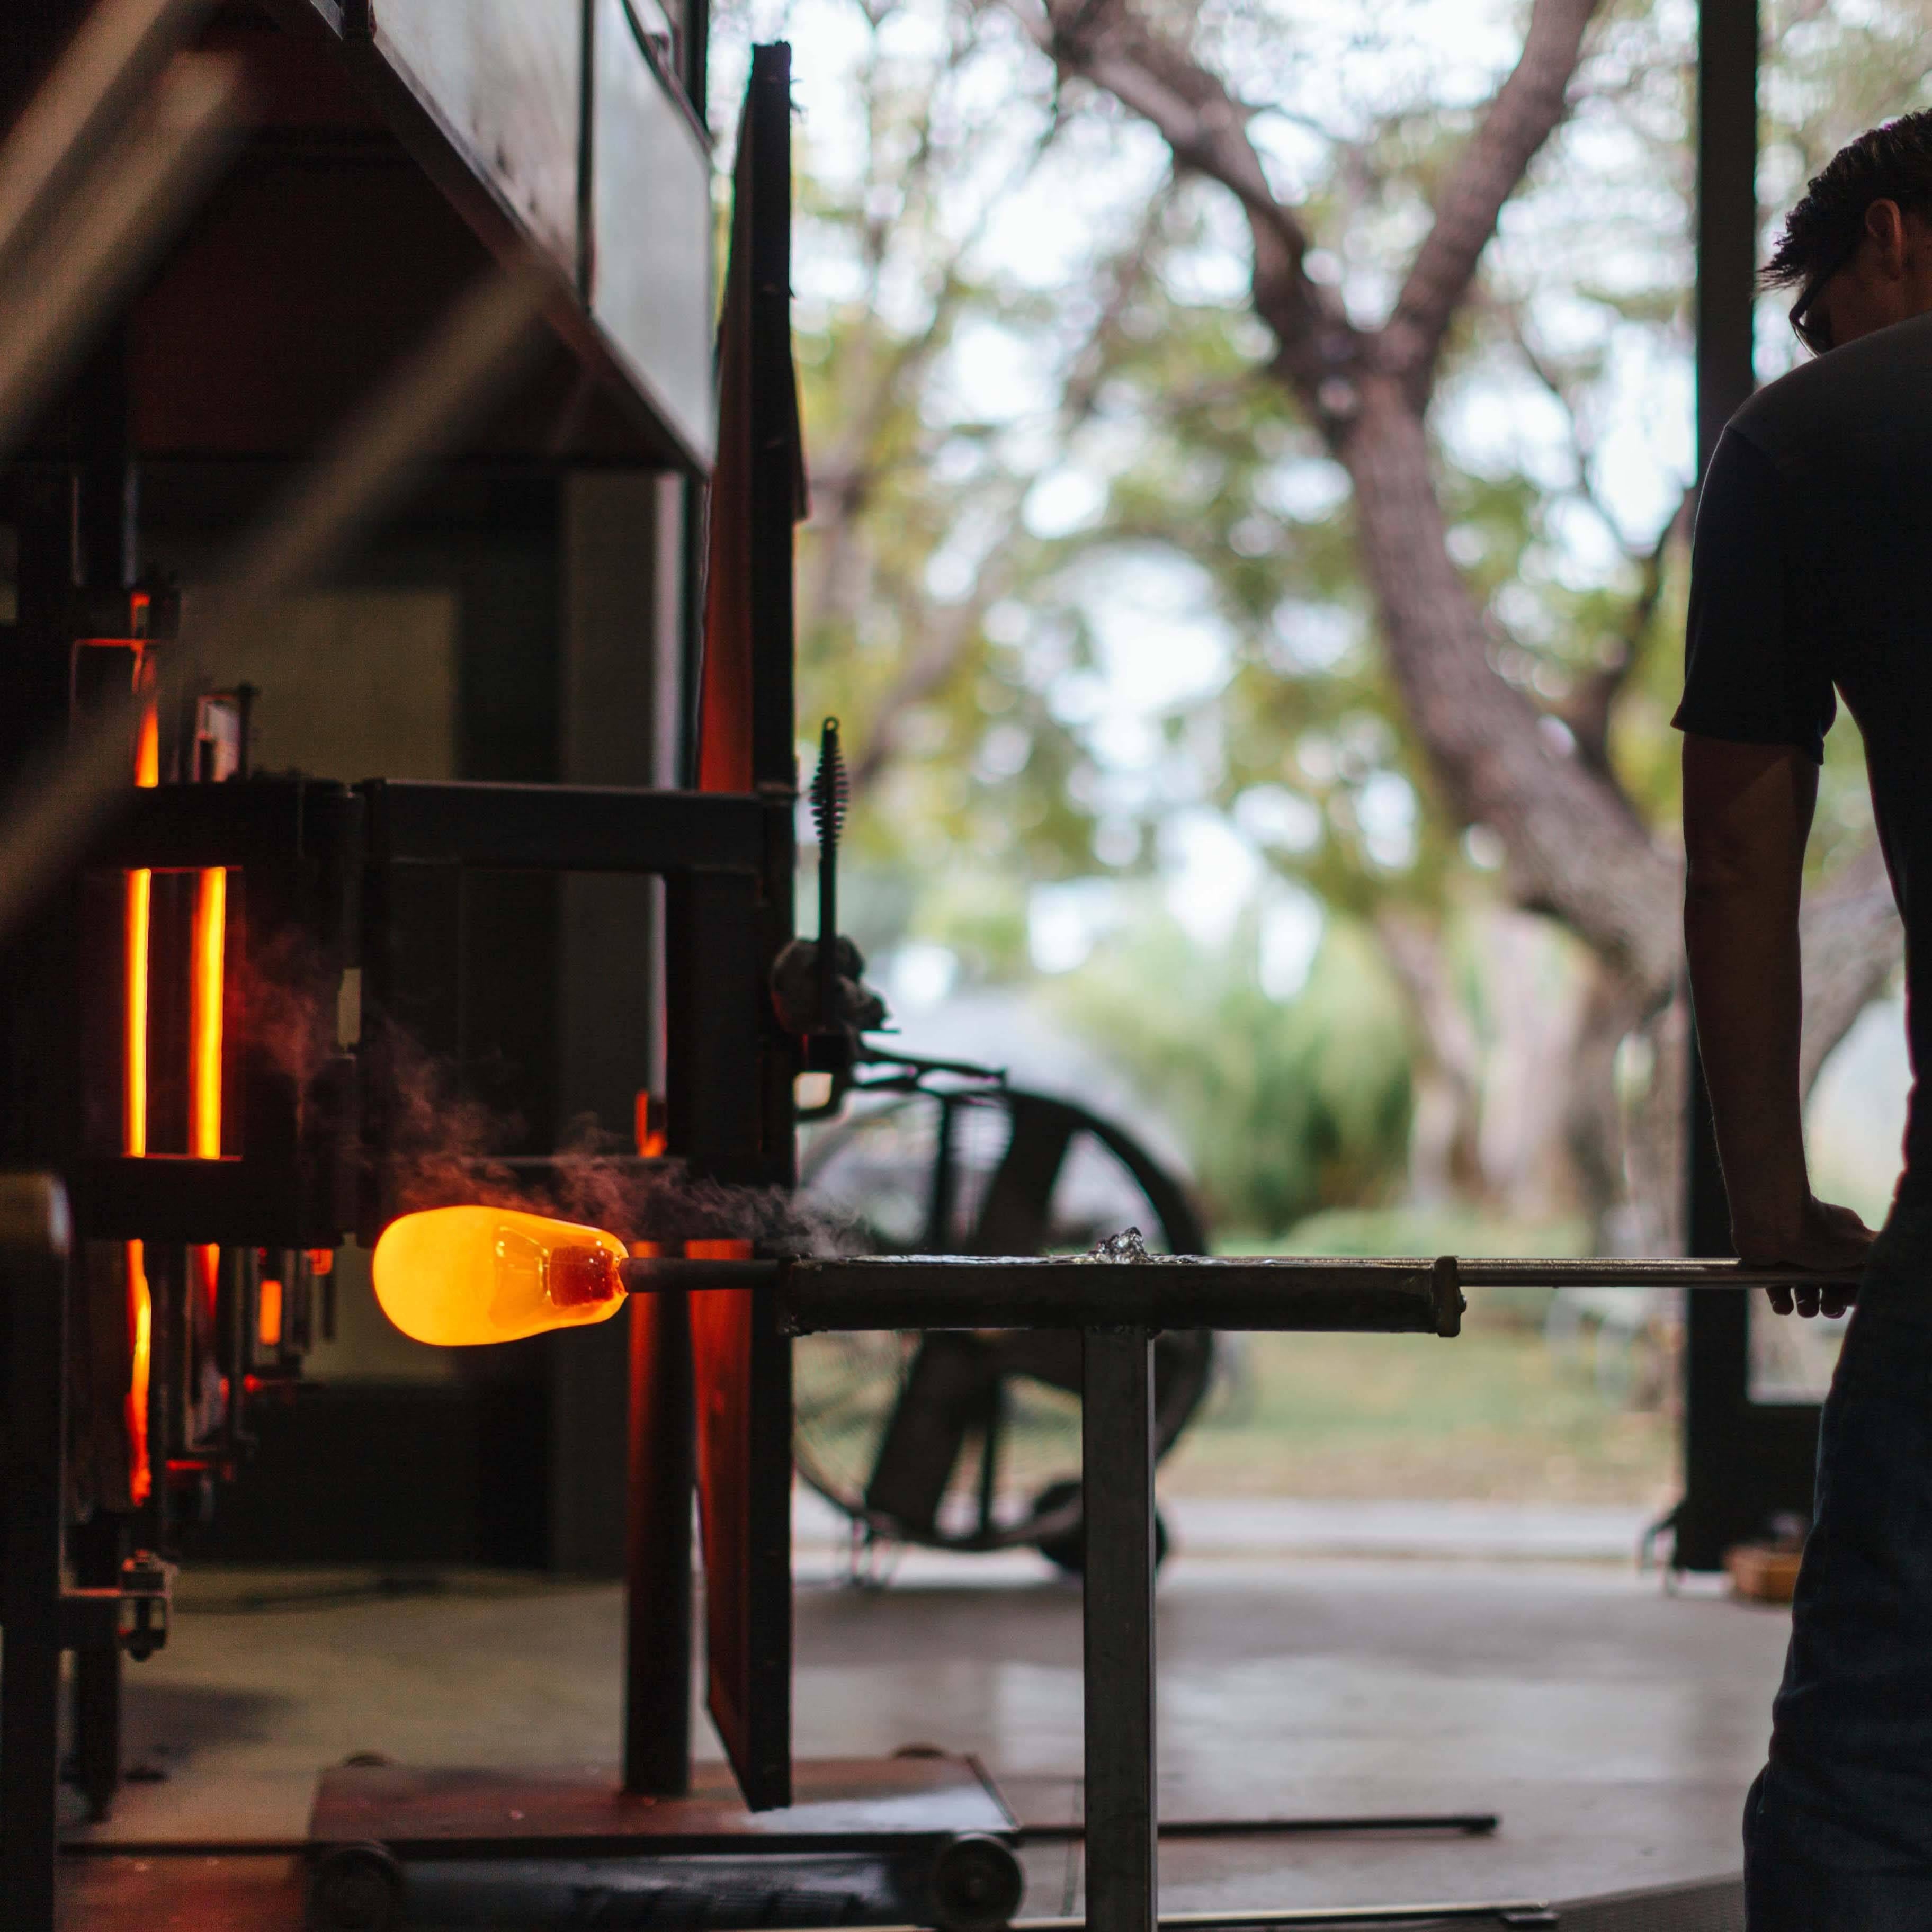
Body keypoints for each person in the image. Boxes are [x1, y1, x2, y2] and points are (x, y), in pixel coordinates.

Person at [1676, 109, 1932, 1928]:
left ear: (1898, 237)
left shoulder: (1814, 435)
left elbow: (1742, 859)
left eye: (1833, 309)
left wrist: (1766, 1201)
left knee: (1880, 1734)